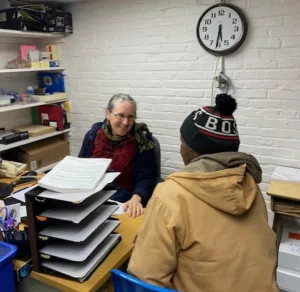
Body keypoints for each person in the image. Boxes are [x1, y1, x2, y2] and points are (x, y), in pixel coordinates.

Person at [128, 94, 278, 292]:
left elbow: (146, 280)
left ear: (195, 151)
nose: (180, 148)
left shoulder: (170, 194)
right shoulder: (250, 185)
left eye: (182, 142)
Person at [79, 93, 157, 218]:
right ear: (108, 114)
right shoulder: (93, 135)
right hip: (92, 195)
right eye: (120, 116)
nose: (126, 122)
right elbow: (81, 166)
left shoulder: (142, 141)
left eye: (130, 117)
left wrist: (137, 197)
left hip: (123, 199)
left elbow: (147, 177)